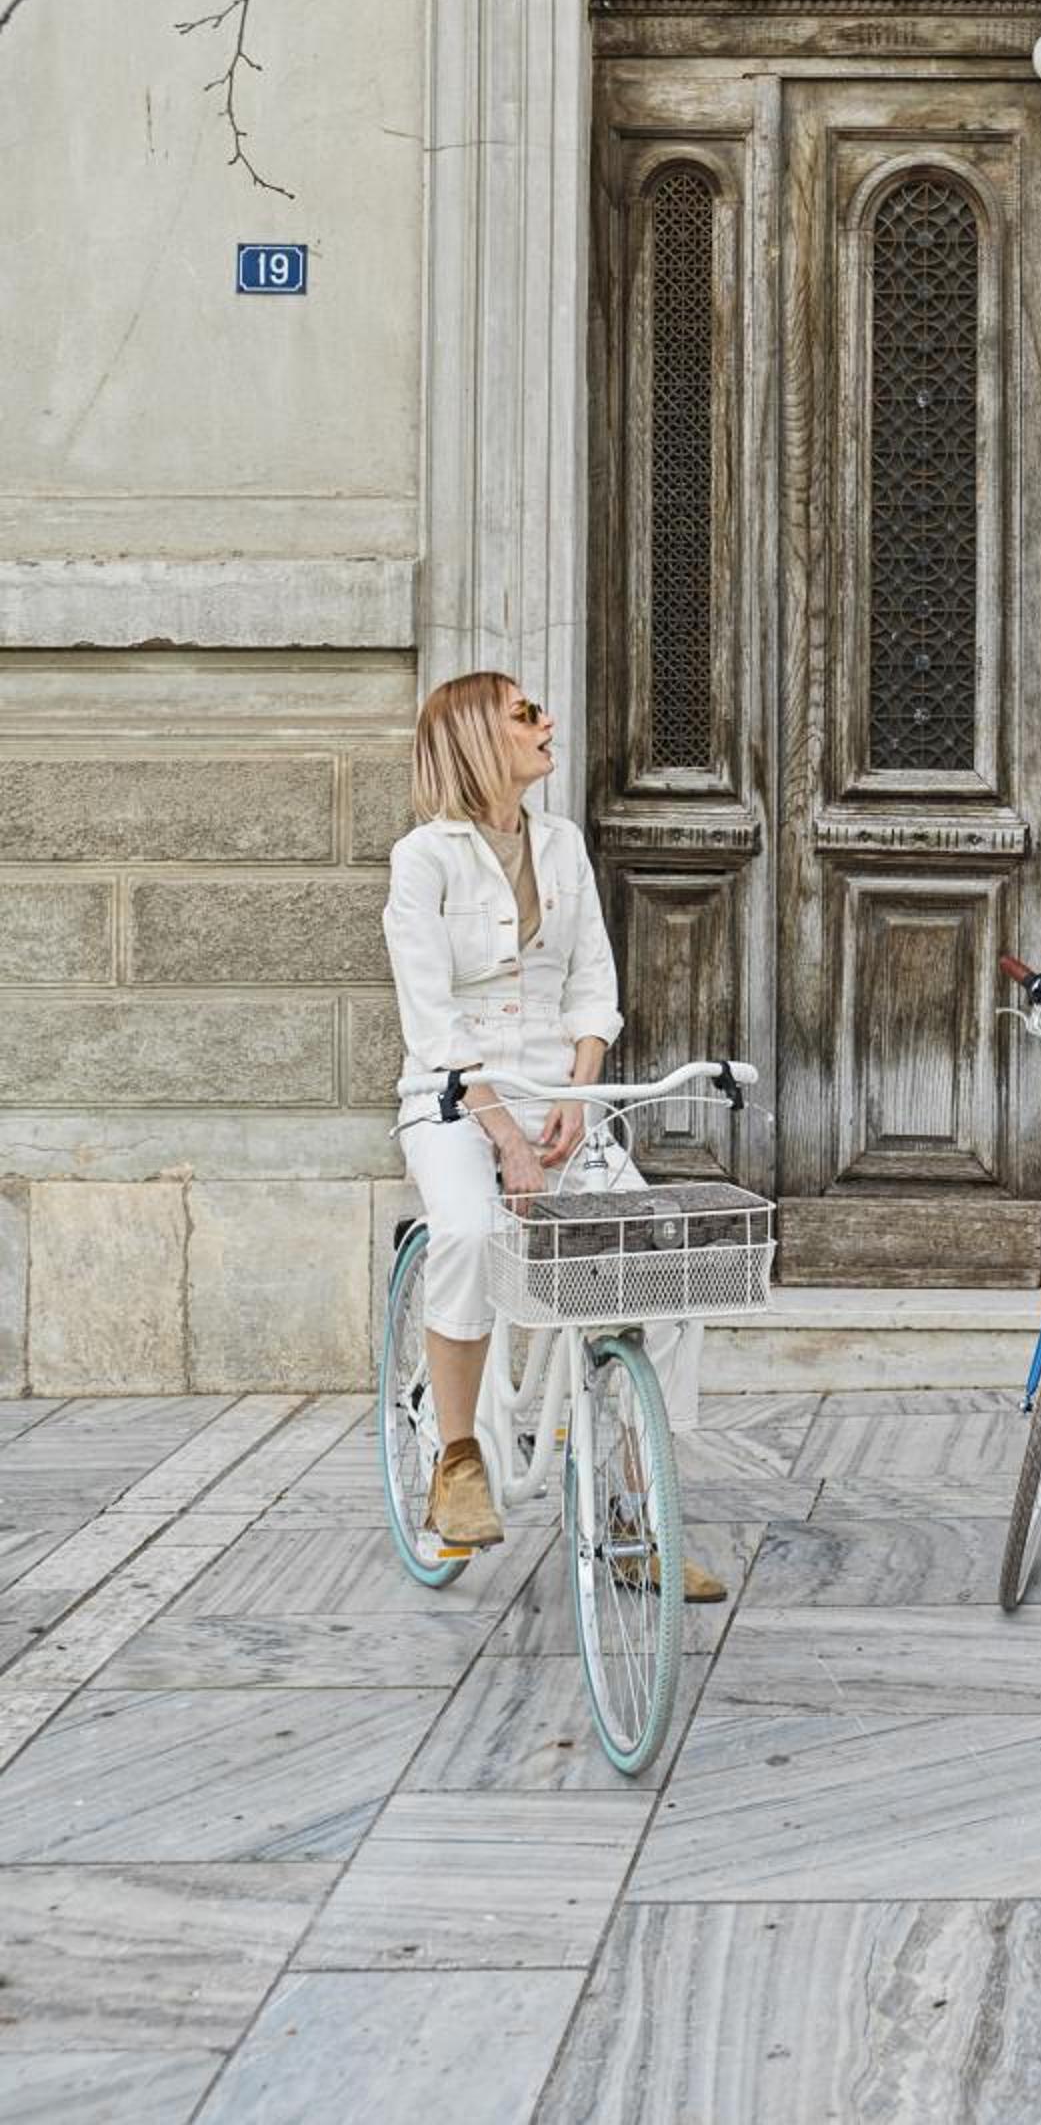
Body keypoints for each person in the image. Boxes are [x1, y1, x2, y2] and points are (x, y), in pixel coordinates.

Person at [381, 670, 725, 1597]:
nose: (547, 722)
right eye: (525, 714)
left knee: (664, 1261)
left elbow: (592, 984)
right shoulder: (424, 859)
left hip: (562, 1093)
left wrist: (581, 1091)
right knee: (467, 1231)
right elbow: (430, 1017)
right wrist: (505, 1134)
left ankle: (638, 1515)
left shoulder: (563, 844)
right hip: (456, 1097)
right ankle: (458, 1462)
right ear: (476, 739)